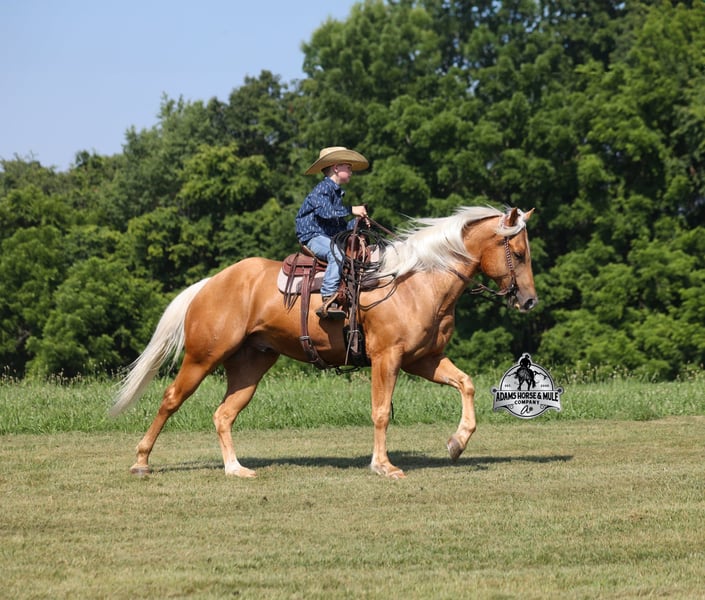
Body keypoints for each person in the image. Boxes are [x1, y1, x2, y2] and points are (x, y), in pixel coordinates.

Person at [295, 146, 369, 319]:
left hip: (327, 236)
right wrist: (352, 209)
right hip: (312, 236)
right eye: (348, 167)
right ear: (336, 168)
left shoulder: (336, 194)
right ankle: (328, 296)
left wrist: (357, 223)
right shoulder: (323, 188)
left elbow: (340, 228)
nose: (351, 171)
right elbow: (326, 212)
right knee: (336, 252)